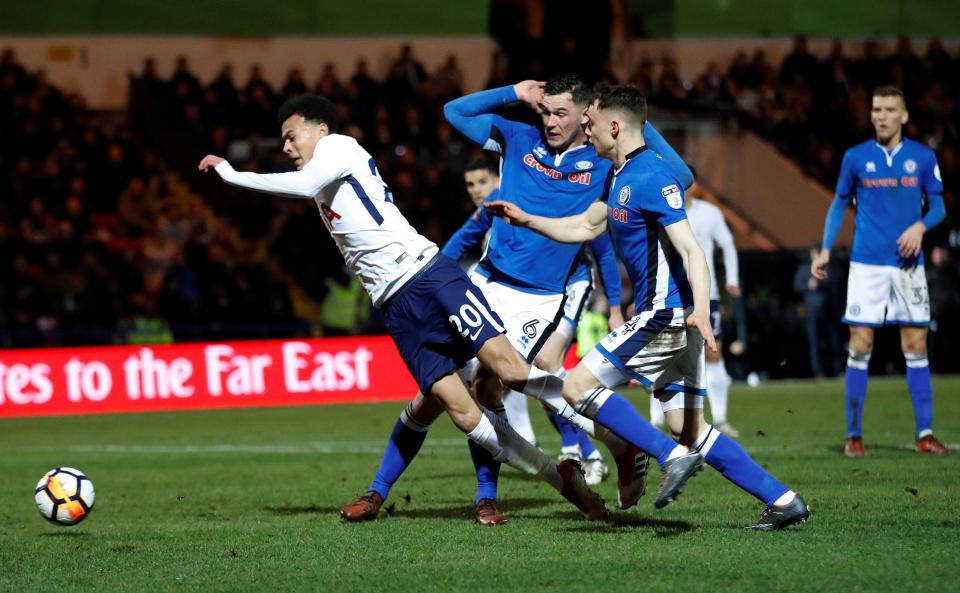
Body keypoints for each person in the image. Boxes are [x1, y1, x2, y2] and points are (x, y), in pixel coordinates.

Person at [198, 94, 612, 524]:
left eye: (291, 136)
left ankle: (615, 436)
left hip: (429, 277)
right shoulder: (324, 175)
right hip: (397, 305)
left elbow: (299, 186)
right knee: (459, 412)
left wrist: (232, 173)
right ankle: (560, 481)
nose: (286, 147)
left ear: (321, 130)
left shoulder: (339, 147)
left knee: (505, 372)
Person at [340, 75, 703, 525]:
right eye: (545, 111)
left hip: (539, 298)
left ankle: (493, 492)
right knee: (439, 392)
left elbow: (682, 176)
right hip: (486, 280)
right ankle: (384, 491)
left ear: (589, 114)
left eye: (561, 113)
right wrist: (514, 93)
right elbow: (454, 112)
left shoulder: (606, 160)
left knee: (495, 382)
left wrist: (632, 123)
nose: (549, 121)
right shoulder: (517, 137)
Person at [487, 84, 810, 530]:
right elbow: (585, 225)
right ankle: (784, 500)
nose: (585, 127)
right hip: (675, 318)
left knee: (576, 387)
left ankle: (663, 456)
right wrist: (528, 219)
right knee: (689, 428)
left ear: (615, 127)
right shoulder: (621, 175)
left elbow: (693, 251)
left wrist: (698, 309)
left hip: (666, 314)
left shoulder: (652, 177)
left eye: (592, 122)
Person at [443, 158, 622, 488]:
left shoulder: (552, 193)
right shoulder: (494, 206)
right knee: (503, 374)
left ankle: (589, 450)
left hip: (572, 285)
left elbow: (604, 251)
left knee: (544, 362)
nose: (477, 191)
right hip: (526, 295)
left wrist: (614, 306)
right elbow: (462, 239)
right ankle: (570, 447)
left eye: (482, 181)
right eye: (470, 185)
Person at [812, 85, 950, 457]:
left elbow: (939, 208)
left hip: (908, 267)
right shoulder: (855, 158)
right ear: (871, 114)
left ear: (904, 115)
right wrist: (825, 250)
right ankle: (853, 435)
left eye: (890, 109)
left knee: (916, 346)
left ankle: (924, 434)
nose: (882, 115)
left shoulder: (922, 157)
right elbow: (839, 205)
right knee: (860, 345)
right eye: (877, 109)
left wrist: (920, 227)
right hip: (867, 265)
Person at [651, 189, 741, 436]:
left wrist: (732, 278)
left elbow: (727, 244)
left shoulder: (710, 213)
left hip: (705, 294)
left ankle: (720, 418)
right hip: (670, 294)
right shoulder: (661, 209)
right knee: (666, 352)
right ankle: (657, 420)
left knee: (712, 353)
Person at [793, 243, 843, 378]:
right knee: (815, 343)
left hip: (830, 310)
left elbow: (836, 280)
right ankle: (818, 371)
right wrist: (808, 285)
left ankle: (838, 370)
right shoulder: (804, 268)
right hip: (812, 312)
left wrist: (820, 283)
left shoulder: (830, 267)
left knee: (835, 342)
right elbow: (797, 285)